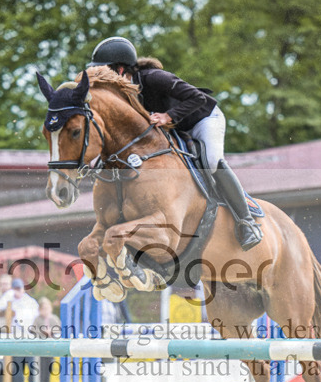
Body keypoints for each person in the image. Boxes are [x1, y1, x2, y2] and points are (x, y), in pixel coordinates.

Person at [87, 36, 262, 251]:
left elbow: (197, 97)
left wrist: (168, 116)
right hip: (173, 129)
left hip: (202, 120)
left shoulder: (154, 78)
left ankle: (246, 222)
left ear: (121, 70)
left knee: (211, 161)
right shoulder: (120, 94)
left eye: (102, 70)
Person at [0, 278, 39, 382]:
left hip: (28, 337)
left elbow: (34, 315)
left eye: (19, 289)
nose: (17, 291)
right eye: (15, 289)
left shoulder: (29, 301)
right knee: (18, 366)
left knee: (31, 366)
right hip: (15, 337)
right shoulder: (10, 297)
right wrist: (10, 295)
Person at [32, 297, 61, 382]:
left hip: (51, 348)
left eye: (47, 308)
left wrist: (51, 332)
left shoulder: (54, 319)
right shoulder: (37, 319)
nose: (45, 311)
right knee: (40, 372)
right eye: (43, 308)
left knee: (48, 371)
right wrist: (42, 332)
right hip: (40, 348)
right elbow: (33, 330)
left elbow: (59, 331)